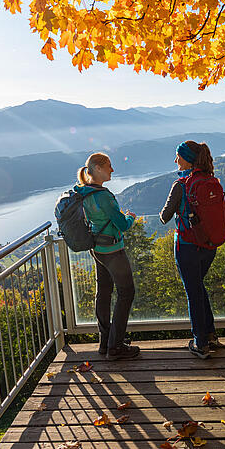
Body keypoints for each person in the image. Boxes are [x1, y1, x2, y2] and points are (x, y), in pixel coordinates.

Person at [159, 140, 225, 358]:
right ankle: (210, 335)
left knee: (193, 292)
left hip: (187, 246)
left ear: (187, 159)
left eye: (178, 157)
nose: (175, 161)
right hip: (209, 245)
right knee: (198, 287)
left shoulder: (180, 186)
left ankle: (200, 343)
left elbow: (164, 217)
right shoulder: (212, 181)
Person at [74, 152, 140, 361]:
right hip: (113, 251)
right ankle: (116, 346)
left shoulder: (84, 193)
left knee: (103, 293)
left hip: (97, 250)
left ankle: (105, 342)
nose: (112, 169)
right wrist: (130, 218)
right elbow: (121, 224)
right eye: (109, 166)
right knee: (126, 293)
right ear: (98, 169)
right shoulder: (103, 196)